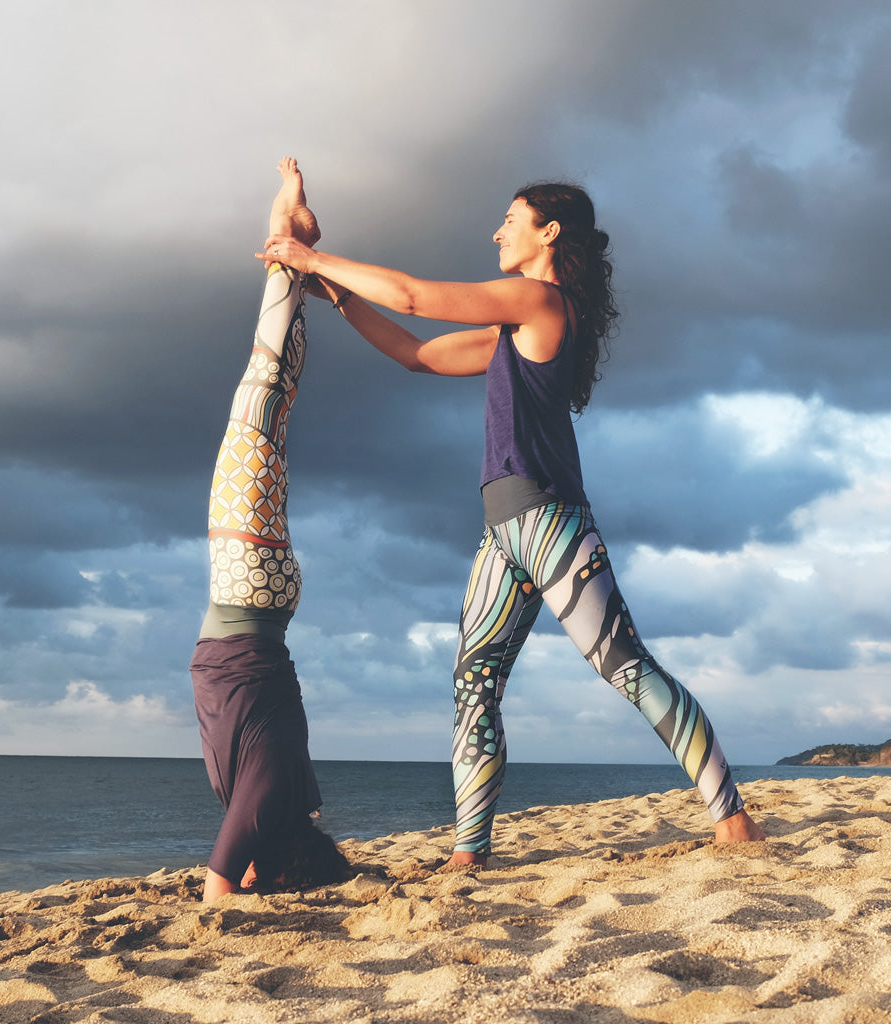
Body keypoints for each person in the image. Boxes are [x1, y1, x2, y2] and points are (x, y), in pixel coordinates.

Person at [258, 175, 766, 867]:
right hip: (503, 531)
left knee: (625, 667)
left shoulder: (541, 301)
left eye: (510, 219)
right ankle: (469, 852)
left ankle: (732, 817)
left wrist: (313, 258)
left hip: (551, 519)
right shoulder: (511, 329)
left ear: (549, 232)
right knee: (474, 686)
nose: (497, 232)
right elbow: (416, 354)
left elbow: (414, 297)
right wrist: (339, 295)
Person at [190, 158, 351, 901]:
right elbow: (218, 890)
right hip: (246, 599)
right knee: (255, 405)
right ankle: (287, 247)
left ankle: (293, 252)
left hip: (269, 612)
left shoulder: (294, 797)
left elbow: (299, 812)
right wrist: (244, 886)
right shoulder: (262, 807)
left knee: (266, 415)